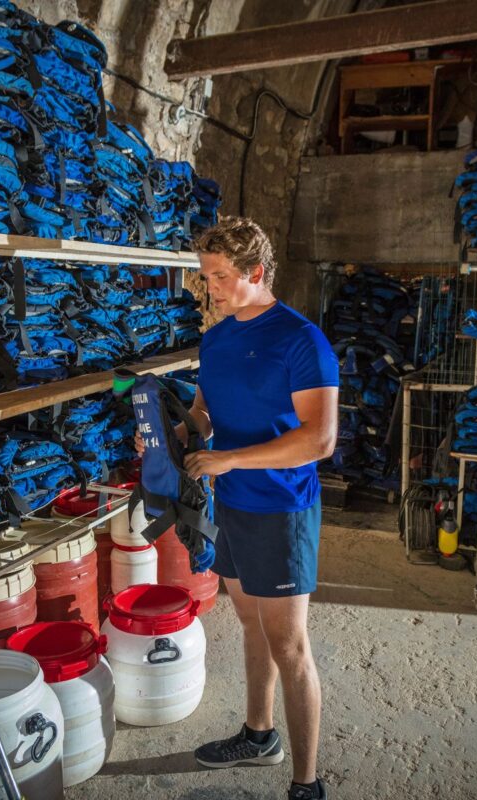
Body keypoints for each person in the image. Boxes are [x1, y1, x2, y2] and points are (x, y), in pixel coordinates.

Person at [137, 216, 338, 800]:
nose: (211, 288)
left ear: (256, 272)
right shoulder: (218, 336)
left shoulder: (301, 340)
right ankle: (258, 734)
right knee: (251, 624)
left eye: (221, 277)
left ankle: (307, 783)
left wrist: (228, 461)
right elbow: (206, 413)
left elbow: (319, 440)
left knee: (291, 646)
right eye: (206, 277)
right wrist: (175, 431)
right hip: (232, 505)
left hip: (281, 509)